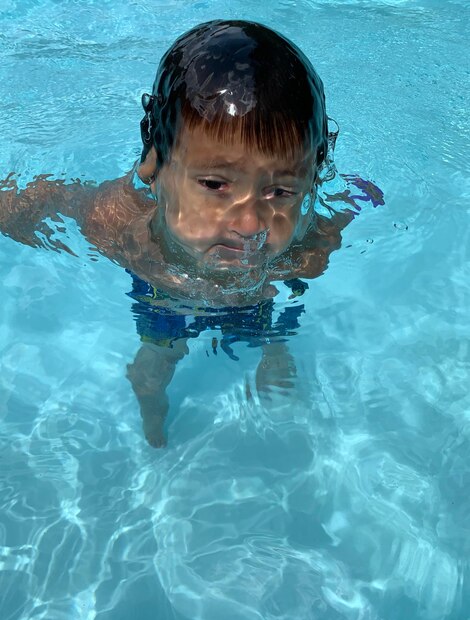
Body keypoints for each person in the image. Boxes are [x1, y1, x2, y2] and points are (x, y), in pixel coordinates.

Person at [0, 20, 383, 446]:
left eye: (279, 191)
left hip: (256, 304)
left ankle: (274, 354)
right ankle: (151, 405)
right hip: (163, 294)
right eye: (216, 185)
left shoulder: (307, 248)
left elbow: (352, 206)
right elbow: (45, 200)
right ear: (154, 165)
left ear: (310, 181)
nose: (251, 224)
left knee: (269, 332)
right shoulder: (113, 223)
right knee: (156, 359)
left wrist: (355, 208)